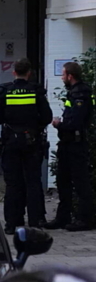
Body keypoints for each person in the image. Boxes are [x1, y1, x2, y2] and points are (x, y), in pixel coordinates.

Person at [0, 58, 53, 233]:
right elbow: (47, 117)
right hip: (32, 142)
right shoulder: (36, 92)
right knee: (33, 181)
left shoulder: (5, 91)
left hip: (10, 142)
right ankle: (36, 221)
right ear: (29, 73)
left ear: (14, 73)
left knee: (13, 183)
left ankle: (12, 223)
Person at [45, 61, 95, 231]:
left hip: (76, 144)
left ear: (70, 76)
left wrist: (59, 124)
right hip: (68, 144)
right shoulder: (74, 92)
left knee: (80, 182)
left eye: (63, 74)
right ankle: (63, 217)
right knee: (63, 181)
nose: (62, 77)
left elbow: (76, 121)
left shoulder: (80, 94)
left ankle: (85, 219)